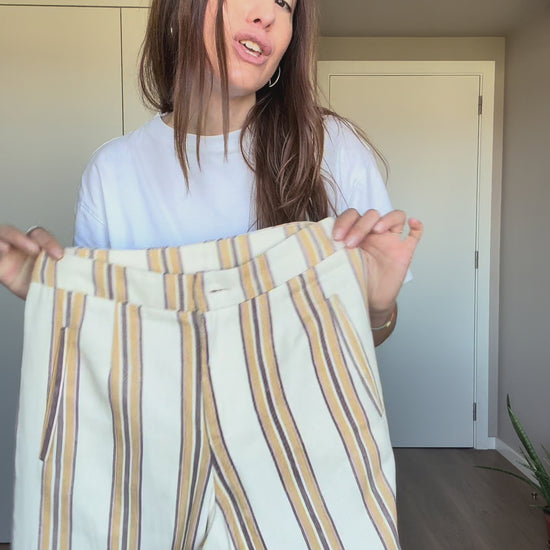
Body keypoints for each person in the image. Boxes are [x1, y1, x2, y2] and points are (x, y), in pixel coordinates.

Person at [0, 0, 422, 347]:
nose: (268, 14)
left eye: (285, 4)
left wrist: (377, 309)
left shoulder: (330, 145)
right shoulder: (111, 172)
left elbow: (369, 337)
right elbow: (103, 344)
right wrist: (49, 290)